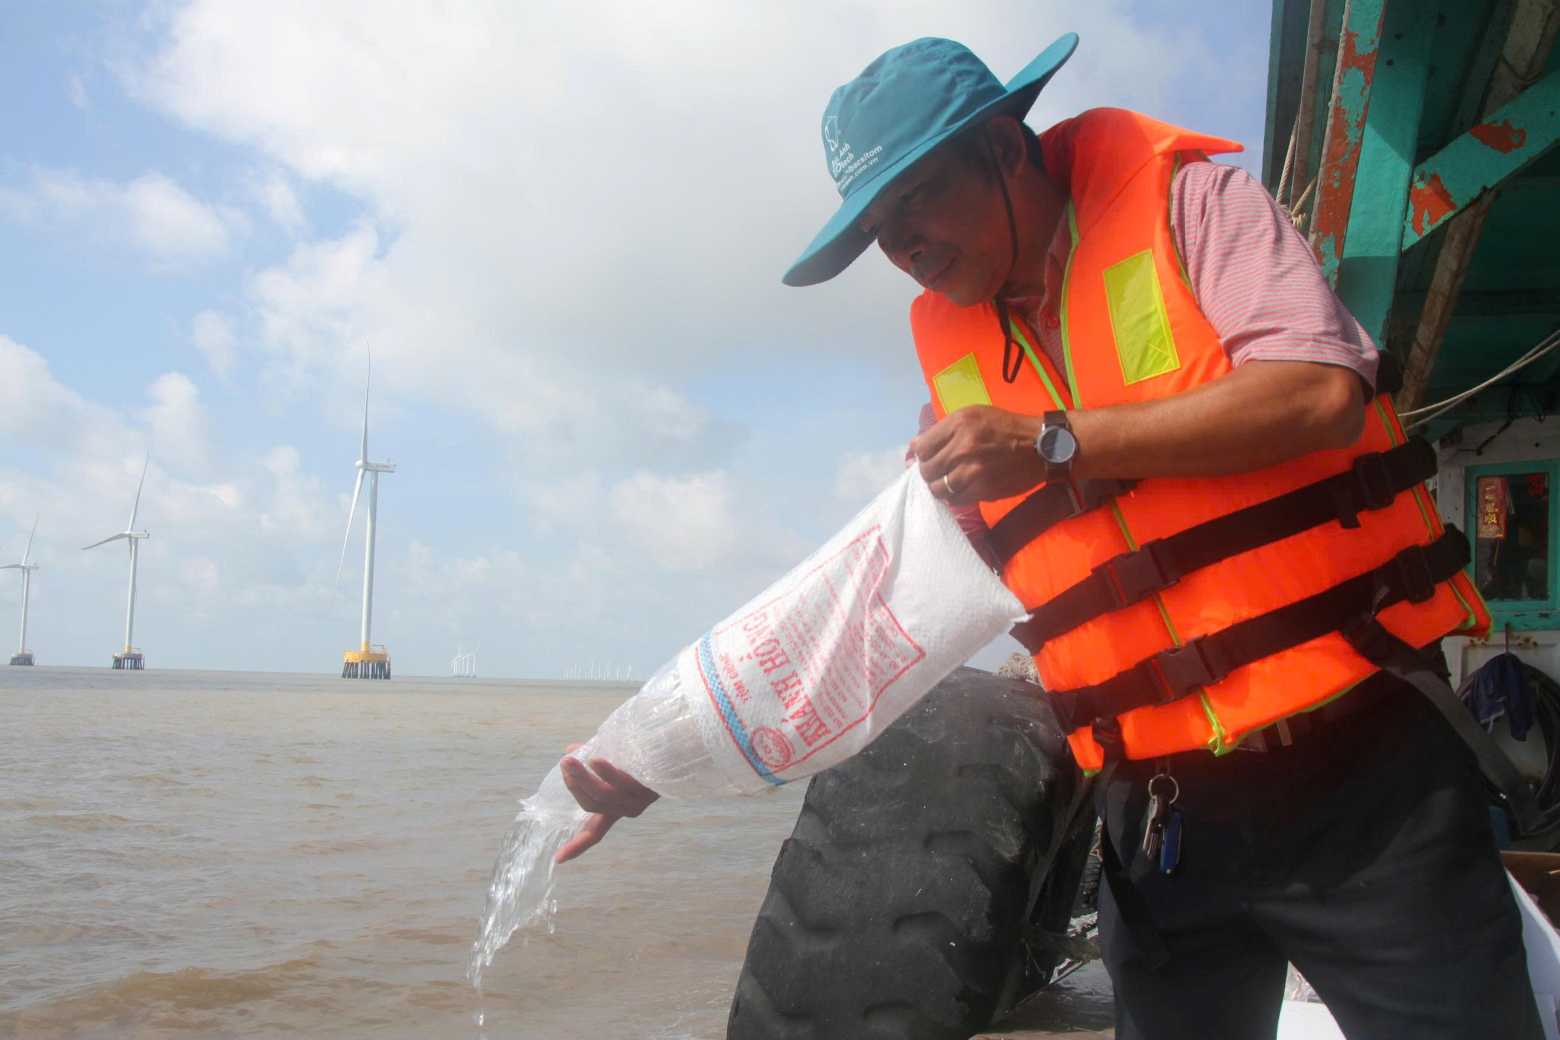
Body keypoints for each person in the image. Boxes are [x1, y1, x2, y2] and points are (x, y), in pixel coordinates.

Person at [558, 34, 1544, 1039]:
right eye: (877, 231)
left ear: (1000, 144)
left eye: (917, 199)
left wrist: (1055, 441)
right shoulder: (954, 364)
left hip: (1362, 778)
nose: (902, 245)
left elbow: (1321, 396)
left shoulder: (1194, 208)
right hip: (1163, 821)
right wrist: (660, 754)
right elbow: (874, 610)